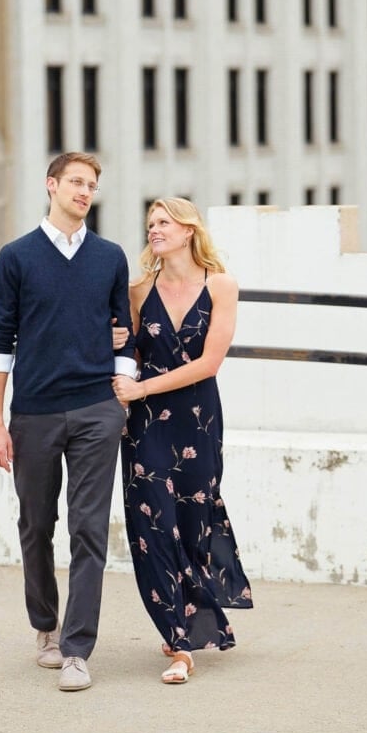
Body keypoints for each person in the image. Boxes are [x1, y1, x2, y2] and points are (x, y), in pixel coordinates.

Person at [0, 152, 135, 693]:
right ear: (51, 185)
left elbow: (125, 332)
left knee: (89, 529)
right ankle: (44, 628)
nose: (84, 191)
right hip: (35, 414)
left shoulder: (110, 257)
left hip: (97, 410)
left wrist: (119, 398)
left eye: (91, 185)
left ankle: (77, 649)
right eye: (75, 182)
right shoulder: (16, 257)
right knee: (35, 526)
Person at [112, 197, 253, 685]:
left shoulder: (222, 285)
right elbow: (127, 347)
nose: (154, 229)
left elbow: (209, 363)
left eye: (164, 222)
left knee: (193, 523)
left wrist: (143, 386)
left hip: (197, 422)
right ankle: (180, 643)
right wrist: (116, 344)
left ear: (189, 230)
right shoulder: (137, 289)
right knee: (153, 528)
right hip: (146, 426)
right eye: (150, 223)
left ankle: (194, 614)